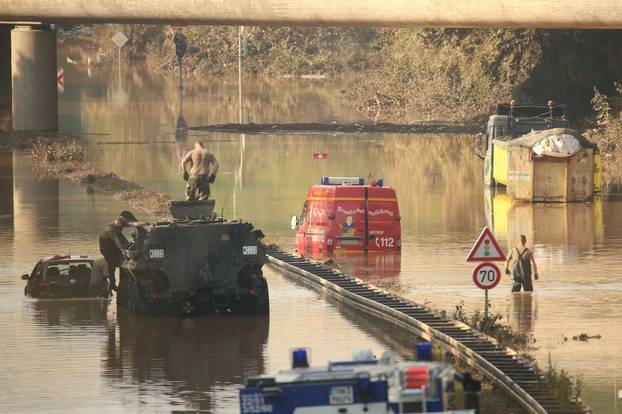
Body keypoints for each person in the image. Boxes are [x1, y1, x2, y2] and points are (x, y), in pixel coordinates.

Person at [98, 216, 128, 293]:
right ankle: (112, 284)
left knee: (118, 262)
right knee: (112, 264)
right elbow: (116, 240)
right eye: (121, 225)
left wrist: (127, 245)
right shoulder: (110, 229)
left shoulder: (117, 227)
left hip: (111, 247)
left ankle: (117, 282)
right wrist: (122, 251)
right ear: (118, 222)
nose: (122, 227)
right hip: (106, 247)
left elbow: (121, 237)